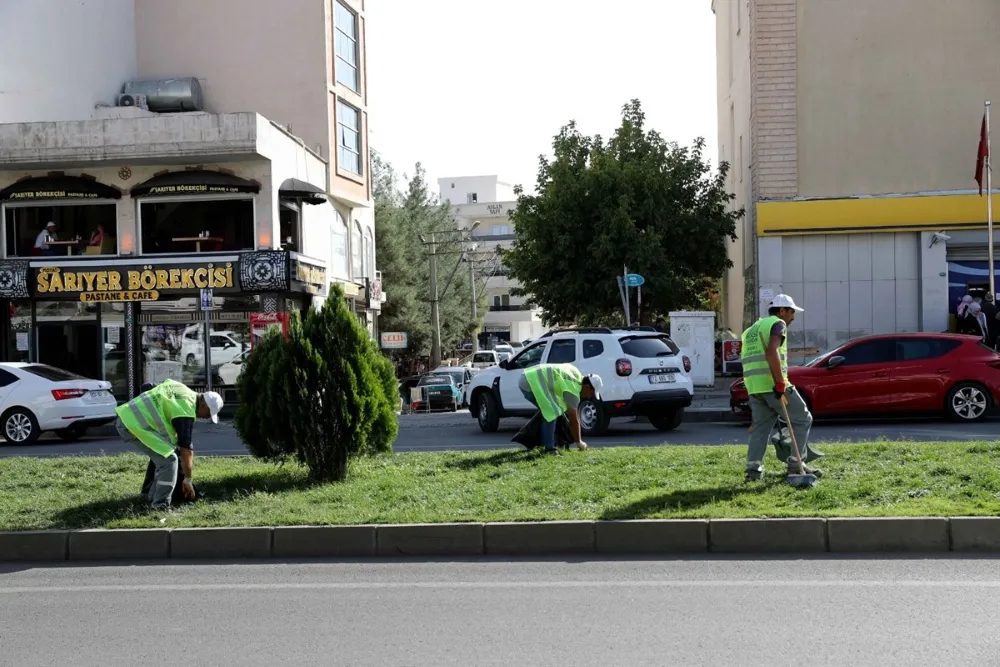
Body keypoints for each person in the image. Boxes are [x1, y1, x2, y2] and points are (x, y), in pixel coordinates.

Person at [739, 294, 823, 481]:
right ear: (782, 310)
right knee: (802, 418)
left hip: (755, 387)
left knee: (761, 427)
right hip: (773, 385)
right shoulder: (778, 324)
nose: (793, 317)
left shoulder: (751, 329)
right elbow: (772, 351)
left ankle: (753, 470)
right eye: (791, 312)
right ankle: (796, 464)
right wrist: (779, 383)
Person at [115, 378, 223, 510]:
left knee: (165, 455)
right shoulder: (186, 411)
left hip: (128, 416)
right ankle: (160, 506)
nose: (206, 418)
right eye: (208, 414)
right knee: (169, 460)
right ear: (203, 406)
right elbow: (186, 449)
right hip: (133, 426)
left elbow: (149, 386)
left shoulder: (180, 387)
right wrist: (188, 479)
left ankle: (150, 496)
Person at [518, 363, 603, 456]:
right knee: (552, 411)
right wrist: (579, 442)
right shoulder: (574, 388)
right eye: (592, 393)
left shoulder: (576, 373)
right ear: (587, 387)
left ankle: (544, 442)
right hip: (531, 381)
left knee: (553, 411)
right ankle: (549, 449)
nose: (590, 397)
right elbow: (574, 420)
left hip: (527, 376)